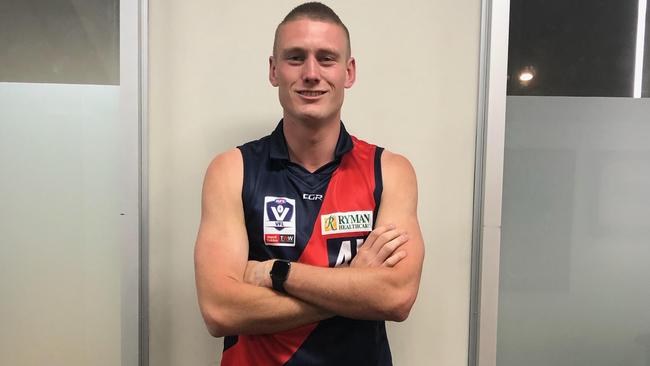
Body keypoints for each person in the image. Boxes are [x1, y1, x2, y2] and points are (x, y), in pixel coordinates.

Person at [194, 2, 424, 365]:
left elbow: (395, 297)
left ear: (349, 72)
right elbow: (221, 310)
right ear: (273, 70)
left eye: (327, 58)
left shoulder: (390, 171)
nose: (312, 73)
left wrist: (276, 272)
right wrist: (353, 286)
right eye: (296, 58)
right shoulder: (232, 170)